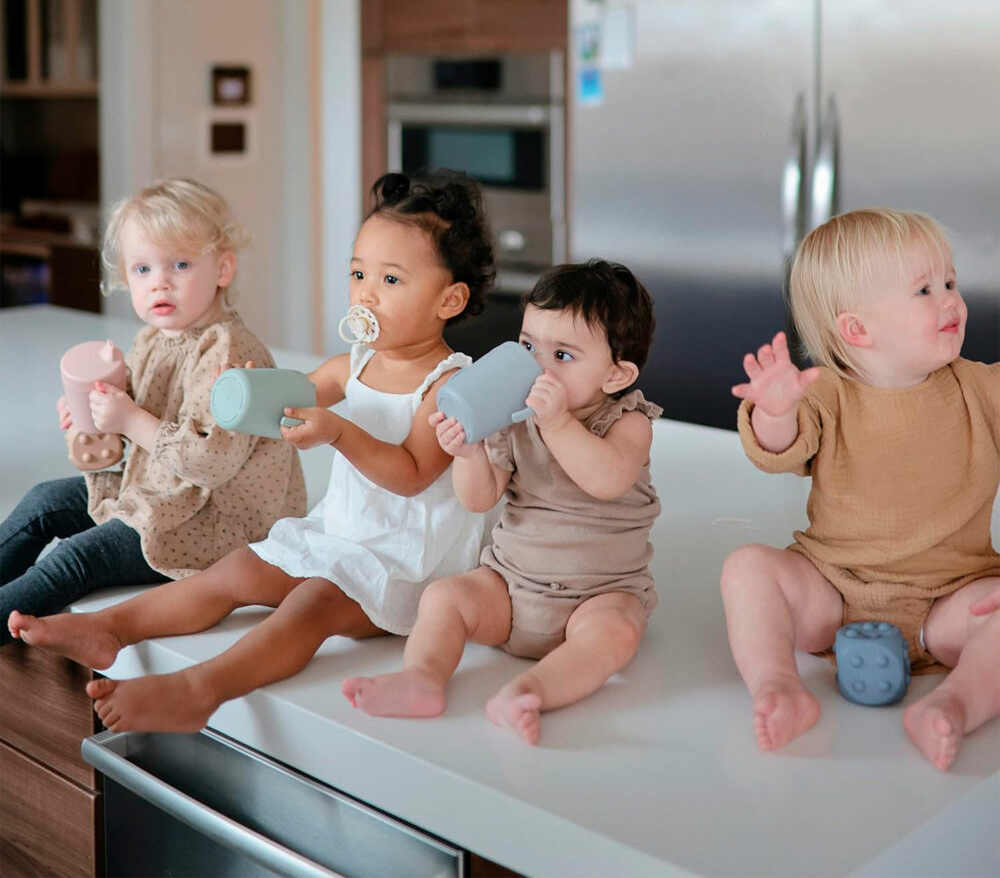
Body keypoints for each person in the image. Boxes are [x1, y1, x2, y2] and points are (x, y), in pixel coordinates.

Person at [12, 170, 498, 735]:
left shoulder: (447, 385)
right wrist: (250, 389)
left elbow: (413, 475)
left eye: (390, 279)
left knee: (311, 604)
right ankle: (112, 627)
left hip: (404, 561)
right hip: (342, 532)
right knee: (236, 570)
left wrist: (339, 433)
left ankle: (202, 689)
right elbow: (297, 393)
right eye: (358, 273)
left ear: (450, 299)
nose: (365, 292)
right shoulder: (356, 363)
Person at [723, 208, 999, 769]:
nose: (951, 300)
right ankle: (779, 685)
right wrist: (777, 409)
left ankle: (953, 704)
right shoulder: (826, 394)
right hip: (831, 590)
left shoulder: (982, 388)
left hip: (952, 601)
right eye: (924, 289)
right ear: (857, 330)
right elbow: (779, 449)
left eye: (950, 282)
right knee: (747, 568)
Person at [343, 260, 662, 745]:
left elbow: (607, 479)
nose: (538, 367)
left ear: (617, 375)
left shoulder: (626, 422)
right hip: (511, 591)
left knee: (617, 632)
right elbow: (479, 498)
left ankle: (530, 692)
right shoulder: (512, 417)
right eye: (529, 346)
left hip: (598, 596)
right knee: (445, 596)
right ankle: (422, 679)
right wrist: (468, 453)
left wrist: (557, 425)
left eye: (564, 356)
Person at [3, 178, 306, 645]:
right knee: (45, 502)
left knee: (77, 559)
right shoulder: (151, 341)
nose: (159, 282)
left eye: (180, 264)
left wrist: (128, 418)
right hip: (158, 494)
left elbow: (209, 462)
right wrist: (94, 423)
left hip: (213, 525)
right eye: (142, 269)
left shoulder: (230, 351)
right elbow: (120, 456)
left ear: (223, 268)